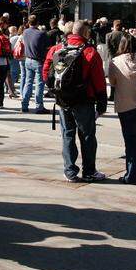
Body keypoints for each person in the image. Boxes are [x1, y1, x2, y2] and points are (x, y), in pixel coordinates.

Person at [43, 20, 108, 182]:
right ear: (85, 33)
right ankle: (89, 171)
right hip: (84, 99)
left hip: (62, 99)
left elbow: (46, 72)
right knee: (87, 136)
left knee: (67, 135)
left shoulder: (57, 49)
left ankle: (70, 171)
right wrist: (102, 102)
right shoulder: (90, 52)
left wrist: (55, 89)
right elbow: (99, 80)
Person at [107, 35, 136, 184]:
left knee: (130, 141)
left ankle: (131, 174)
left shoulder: (115, 62)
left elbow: (112, 82)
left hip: (126, 106)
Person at [20, 15, 51, 114]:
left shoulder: (25, 32)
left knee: (28, 83)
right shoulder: (41, 34)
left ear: (29, 22)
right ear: (37, 23)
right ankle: (39, 107)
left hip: (28, 60)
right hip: (38, 61)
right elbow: (48, 47)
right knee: (39, 85)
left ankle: (24, 105)